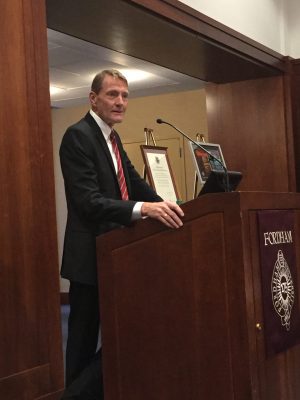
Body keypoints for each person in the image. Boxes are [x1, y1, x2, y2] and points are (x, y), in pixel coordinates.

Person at [59, 69, 184, 399]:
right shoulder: (78, 136)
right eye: (112, 95)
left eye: (125, 96)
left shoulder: (111, 138)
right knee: (83, 345)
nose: (120, 102)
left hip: (116, 256)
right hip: (89, 261)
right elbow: (89, 202)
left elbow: (136, 183)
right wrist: (144, 210)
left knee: (122, 334)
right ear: (93, 99)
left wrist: (172, 207)